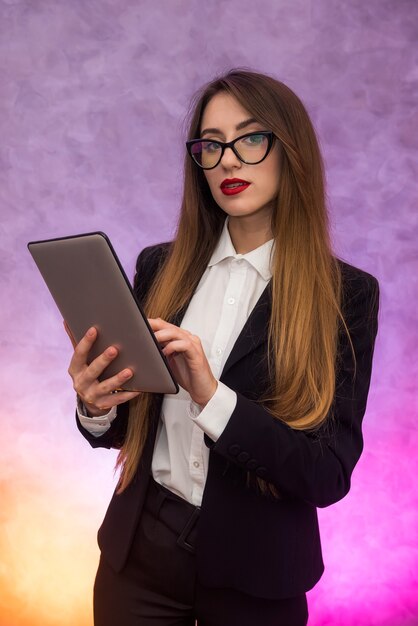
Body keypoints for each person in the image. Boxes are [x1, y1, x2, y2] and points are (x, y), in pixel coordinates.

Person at [67, 69, 379, 626]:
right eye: (211, 145)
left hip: (257, 579)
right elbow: (127, 427)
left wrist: (212, 396)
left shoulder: (346, 296)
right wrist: (97, 405)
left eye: (250, 138)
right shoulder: (158, 267)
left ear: (291, 150)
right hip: (137, 563)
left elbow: (327, 473)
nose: (228, 160)